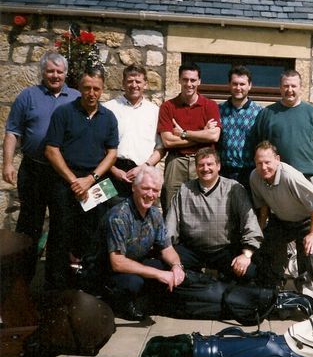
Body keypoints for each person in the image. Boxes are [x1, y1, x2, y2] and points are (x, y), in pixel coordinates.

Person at [2, 51, 80, 282]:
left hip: (62, 174)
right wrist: (7, 164)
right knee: (29, 225)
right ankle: (21, 278)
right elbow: (12, 131)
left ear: (66, 73)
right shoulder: (28, 96)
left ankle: (55, 279)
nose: (55, 75)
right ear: (43, 72)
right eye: (50, 71)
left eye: (59, 71)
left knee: (61, 225)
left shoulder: (76, 97)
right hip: (34, 170)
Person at [44, 67, 119, 291]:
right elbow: (51, 150)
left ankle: (92, 287)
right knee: (61, 234)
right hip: (65, 181)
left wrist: (90, 179)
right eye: (87, 88)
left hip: (97, 183)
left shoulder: (109, 117)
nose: (91, 93)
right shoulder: (63, 113)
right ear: (79, 88)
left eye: (96, 88)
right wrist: (73, 180)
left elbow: (112, 153)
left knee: (97, 235)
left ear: (102, 89)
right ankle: (55, 290)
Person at [250, 141, 313, 314]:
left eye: (268, 162)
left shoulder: (290, 176)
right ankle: (272, 292)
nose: (264, 167)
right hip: (281, 221)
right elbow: (263, 205)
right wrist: (260, 229)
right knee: (265, 247)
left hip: (308, 220)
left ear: (277, 160)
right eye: (259, 163)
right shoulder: (255, 177)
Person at [166, 147, 262, 282]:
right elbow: (170, 226)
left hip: (224, 250)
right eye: (201, 165)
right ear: (196, 167)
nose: (205, 169)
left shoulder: (234, 189)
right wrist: (170, 256)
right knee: (164, 267)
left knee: (250, 271)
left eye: (209, 164)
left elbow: (250, 223)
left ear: (218, 166)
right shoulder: (184, 190)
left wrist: (246, 255)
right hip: (192, 250)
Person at [103, 165, 185, 321]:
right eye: (145, 188)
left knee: (168, 267)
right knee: (135, 282)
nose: (150, 194)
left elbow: (166, 248)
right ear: (134, 188)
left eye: (155, 190)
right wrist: (158, 274)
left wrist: (177, 266)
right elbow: (117, 263)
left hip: (134, 262)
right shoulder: (119, 215)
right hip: (107, 270)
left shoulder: (154, 214)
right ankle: (117, 304)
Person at [157, 63, 221, 213]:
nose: (189, 84)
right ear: (179, 80)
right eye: (185, 80)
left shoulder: (210, 105)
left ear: (199, 81)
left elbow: (214, 136)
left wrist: (184, 133)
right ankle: (171, 236)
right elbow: (167, 141)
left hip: (202, 161)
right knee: (171, 205)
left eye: (193, 80)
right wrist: (202, 135)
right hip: (176, 161)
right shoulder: (168, 107)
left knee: (201, 206)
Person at [252, 70, 313, 191]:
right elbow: (258, 144)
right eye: (286, 86)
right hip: (277, 177)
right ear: (280, 88)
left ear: (300, 88)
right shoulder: (267, 113)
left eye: (293, 86)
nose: (289, 90)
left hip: (307, 176)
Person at [103, 64, 165, 202]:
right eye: (130, 81)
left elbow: (161, 148)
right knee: (106, 214)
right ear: (123, 83)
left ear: (145, 84)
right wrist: (113, 170)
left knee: (140, 214)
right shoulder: (108, 108)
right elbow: (99, 145)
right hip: (111, 172)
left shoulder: (155, 111)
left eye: (138, 81)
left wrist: (144, 167)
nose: (134, 85)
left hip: (143, 173)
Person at [218, 65, 263, 190]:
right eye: (235, 84)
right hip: (224, 172)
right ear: (229, 85)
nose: (238, 88)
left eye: (242, 84)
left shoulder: (259, 112)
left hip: (250, 172)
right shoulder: (218, 110)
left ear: (249, 85)